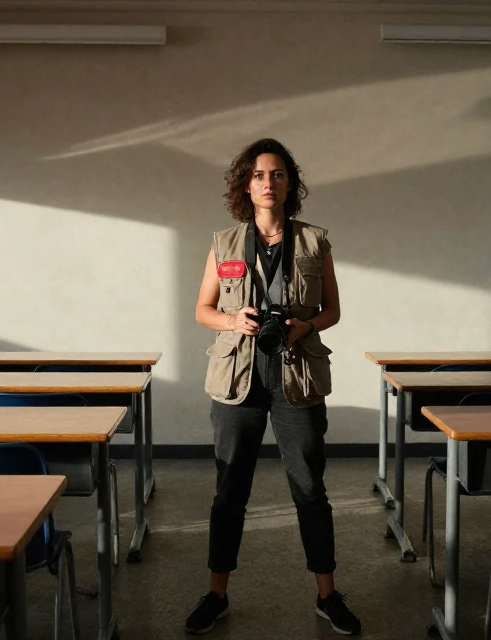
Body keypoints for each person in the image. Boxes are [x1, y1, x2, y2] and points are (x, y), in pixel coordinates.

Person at [185, 138, 360, 636]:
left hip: (296, 376)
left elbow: (332, 309)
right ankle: (216, 594)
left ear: (290, 184)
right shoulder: (223, 242)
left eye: (278, 174)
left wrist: (306, 326)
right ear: (246, 185)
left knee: (310, 489)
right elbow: (202, 310)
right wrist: (232, 320)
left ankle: (328, 595)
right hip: (237, 379)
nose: (269, 183)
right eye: (259, 175)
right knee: (229, 491)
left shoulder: (314, 241)